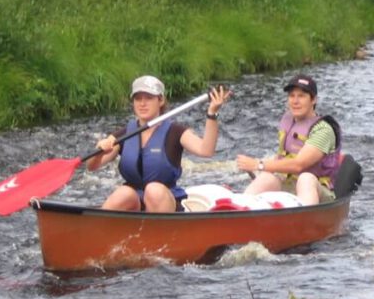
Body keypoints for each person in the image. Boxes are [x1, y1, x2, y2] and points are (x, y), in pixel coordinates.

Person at [87, 76, 231, 212]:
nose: (142, 103)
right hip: (134, 202)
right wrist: (100, 149)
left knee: (153, 190)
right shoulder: (124, 134)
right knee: (122, 193)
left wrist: (212, 114)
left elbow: (206, 151)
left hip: (165, 201)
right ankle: (99, 230)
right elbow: (92, 166)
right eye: (138, 99)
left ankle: (160, 233)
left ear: (160, 100)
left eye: (149, 98)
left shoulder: (176, 131)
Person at [235, 74, 341, 205]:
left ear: (313, 100)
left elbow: (298, 165)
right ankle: (242, 208)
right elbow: (281, 158)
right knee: (267, 178)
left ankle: (304, 219)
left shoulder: (323, 130)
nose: (295, 101)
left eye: (301, 96)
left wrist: (258, 164)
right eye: (292, 96)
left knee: (305, 179)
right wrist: (261, 174)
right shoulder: (288, 120)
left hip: (317, 192)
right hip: (289, 185)